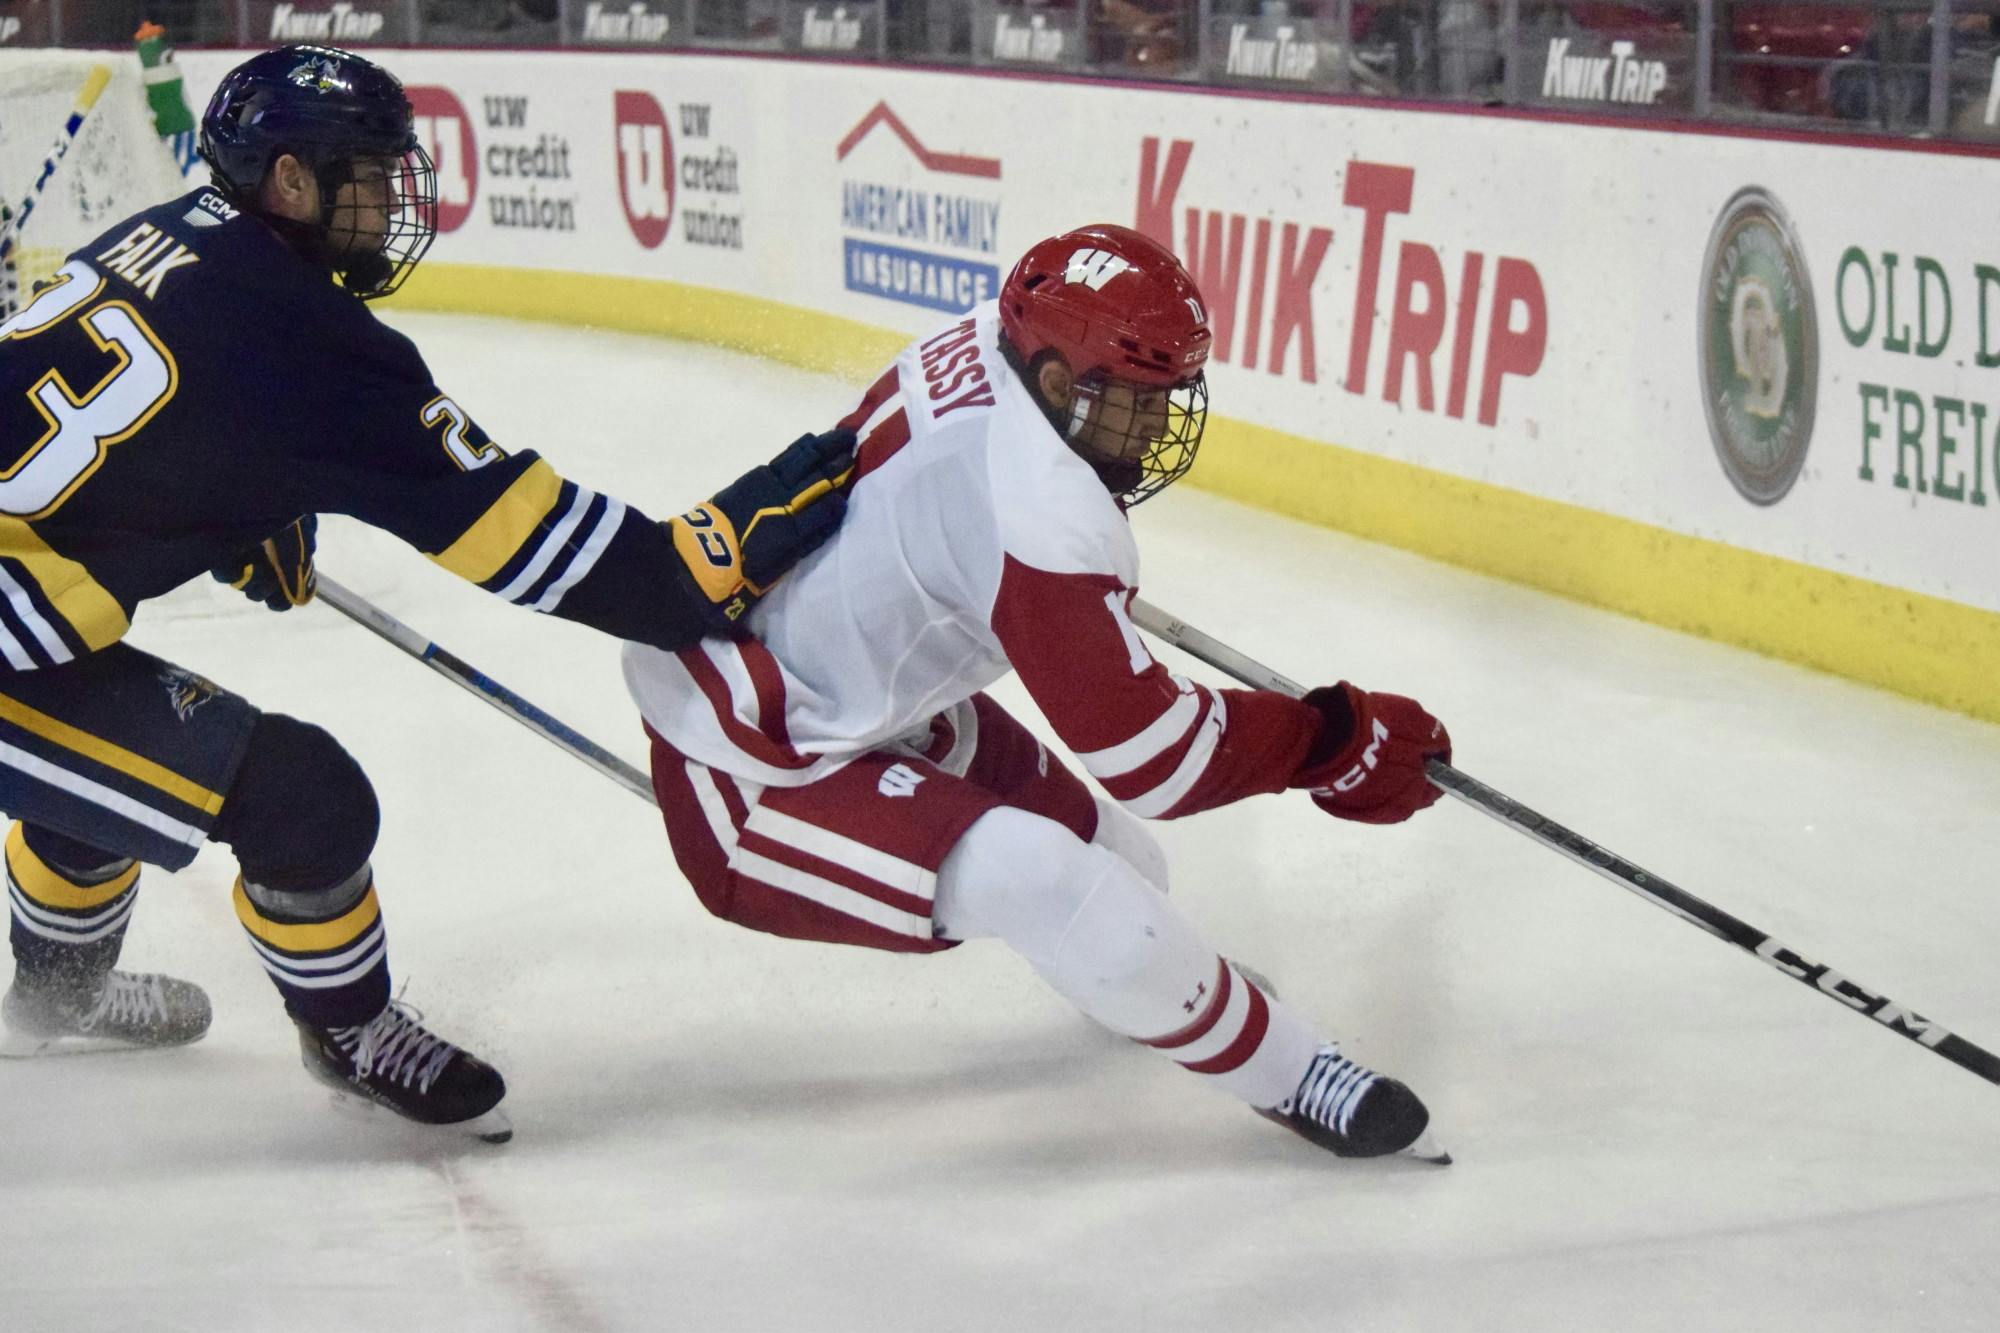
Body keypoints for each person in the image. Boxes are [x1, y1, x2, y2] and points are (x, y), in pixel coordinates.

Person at [0, 45, 853, 1142]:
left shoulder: (171, 226)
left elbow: (141, 422)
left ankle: (50, 1003)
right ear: (292, 183)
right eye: (369, 171)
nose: (395, 198)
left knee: (112, 779)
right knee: (302, 795)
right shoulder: (320, 350)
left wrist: (235, 502)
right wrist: (710, 561)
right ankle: (348, 1031)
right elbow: (540, 543)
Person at [624, 224, 1454, 1161]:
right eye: (1138, 402)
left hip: (863, 698)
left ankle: (1142, 978)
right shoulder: (1036, 497)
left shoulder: (1002, 336)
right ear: (1059, 382)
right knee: (1045, 877)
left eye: (1170, 395)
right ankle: (1298, 1074)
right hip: (746, 757)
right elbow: (1154, 755)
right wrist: (1332, 740)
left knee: (1129, 875)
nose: (1159, 425)